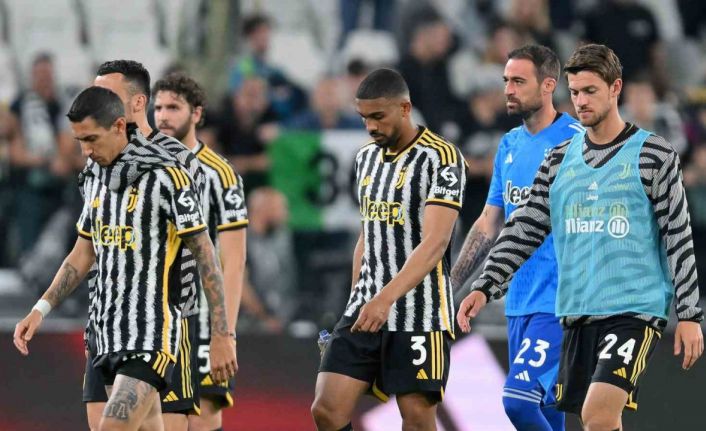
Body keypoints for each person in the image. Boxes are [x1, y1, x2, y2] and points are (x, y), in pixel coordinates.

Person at [457, 44, 704, 430]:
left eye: (590, 91)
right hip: (576, 313)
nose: (581, 101)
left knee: (597, 415)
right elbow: (525, 228)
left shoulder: (653, 154)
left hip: (632, 311)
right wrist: (485, 286)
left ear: (615, 88)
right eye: (574, 92)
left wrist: (689, 313)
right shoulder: (559, 159)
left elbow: (677, 234)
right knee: (592, 420)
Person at [13, 86, 236, 431]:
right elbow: (83, 253)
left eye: (92, 139)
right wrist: (41, 308)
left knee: (113, 427)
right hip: (105, 335)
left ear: (119, 126)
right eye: (79, 141)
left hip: (150, 338)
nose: (86, 150)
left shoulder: (167, 177)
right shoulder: (94, 178)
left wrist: (222, 334)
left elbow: (206, 255)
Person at [311, 68, 467, 431]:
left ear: (405, 108)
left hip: (421, 314)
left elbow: (436, 243)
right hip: (367, 306)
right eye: (364, 117)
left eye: (378, 116)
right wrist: (357, 298)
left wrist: (385, 299)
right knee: (327, 409)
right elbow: (368, 233)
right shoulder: (365, 157)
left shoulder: (442, 158)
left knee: (417, 419)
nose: (371, 126)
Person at [451, 44, 582, 431]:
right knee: (548, 414)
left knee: (518, 402)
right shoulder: (509, 144)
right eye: (506, 80)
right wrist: (452, 287)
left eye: (519, 81)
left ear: (548, 85)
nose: (508, 89)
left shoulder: (577, 142)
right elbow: (488, 222)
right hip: (518, 301)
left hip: (560, 301)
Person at [83, 60, 207, 431]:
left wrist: (211, 330)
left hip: (160, 323)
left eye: (108, 94)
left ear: (137, 103)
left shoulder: (178, 161)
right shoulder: (96, 159)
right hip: (106, 323)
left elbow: (199, 249)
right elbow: (91, 243)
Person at [153, 73, 249, 431]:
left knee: (204, 416)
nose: (163, 116)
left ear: (196, 114)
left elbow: (234, 261)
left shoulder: (220, 174)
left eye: (173, 108)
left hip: (206, 318)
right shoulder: (145, 168)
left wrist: (226, 333)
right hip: (156, 319)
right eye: (158, 108)